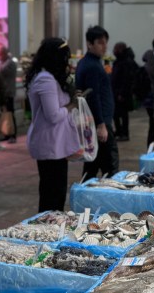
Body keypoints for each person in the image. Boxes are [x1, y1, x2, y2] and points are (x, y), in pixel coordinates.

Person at [26, 38, 80, 212]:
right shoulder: (45, 79)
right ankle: (46, 230)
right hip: (49, 144)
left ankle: (51, 228)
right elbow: (53, 115)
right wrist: (71, 105)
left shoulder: (48, 77)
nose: (66, 62)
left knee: (56, 193)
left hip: (55, 144)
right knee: (52, 196)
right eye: (64, 57)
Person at [75, 26, 118, 180]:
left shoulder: (90, 62)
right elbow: (93, 97)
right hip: (98, 124)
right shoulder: (92, 66)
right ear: (89, 44)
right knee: (110, 166)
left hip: (98, 122)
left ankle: (84, 195)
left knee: (92, 164)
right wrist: (101, 125)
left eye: (105, 42)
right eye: (100, 42)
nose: (104, 46)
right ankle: (109, 197)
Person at [110, 43, 138, 142]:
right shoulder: (120, 61)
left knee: (123, 114)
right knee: (116, 114)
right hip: (116, 92)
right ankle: (119, 131)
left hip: (122, 93)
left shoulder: (126, 62)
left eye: (115, 49)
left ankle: (124, 133)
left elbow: (126, 79)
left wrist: (121, 93)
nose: (114, 51)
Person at [0, 46, 18, 142]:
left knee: (10, 113)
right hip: (4, 92)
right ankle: (7, 133)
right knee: (5, 114)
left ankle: (13, 135)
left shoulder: (10, 64)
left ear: (5, 54)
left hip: (8, 92)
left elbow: (1, 71)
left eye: (0, 55)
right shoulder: (3, 63)